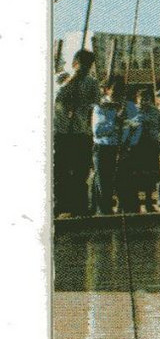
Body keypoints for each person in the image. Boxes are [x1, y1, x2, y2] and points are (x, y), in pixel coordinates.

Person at [53, 49, 99, 217]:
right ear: (74, 64)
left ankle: (79, 206)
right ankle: (60, 205)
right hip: (63, 132)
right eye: (83, 66)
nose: (85, 70)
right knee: (61, 170)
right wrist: (72, 81)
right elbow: (57, 97)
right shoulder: (61, 78)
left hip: (81, 133)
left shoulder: (91, 82)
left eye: (88, 67)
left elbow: (96, 104)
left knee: (81, 172)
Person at [89, 80, 127, 215]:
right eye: (115, 89)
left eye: (120, 90)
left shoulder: (122, 106)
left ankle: (105, 208)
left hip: (116, 147)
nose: (118, 93)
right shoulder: (100, 107)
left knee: (112, 181)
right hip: (102, 147)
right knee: (102, 181)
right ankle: (103, 211)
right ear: (108, 90)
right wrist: (114, 122)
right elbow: (97, 131)